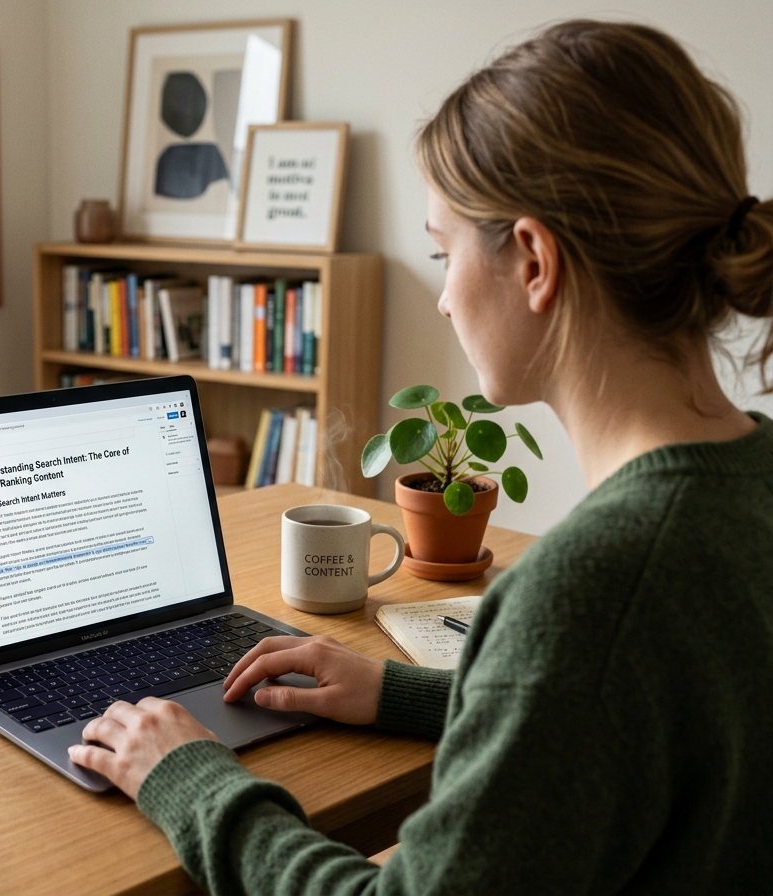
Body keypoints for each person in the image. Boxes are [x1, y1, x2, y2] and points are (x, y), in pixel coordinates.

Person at [69, 20, 773, 894]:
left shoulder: (598, 587)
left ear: (533, 260)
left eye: (443, 254)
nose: (441, 300)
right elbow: (623, 717)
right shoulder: (751, 482)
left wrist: (190, 778)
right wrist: (401, 693)